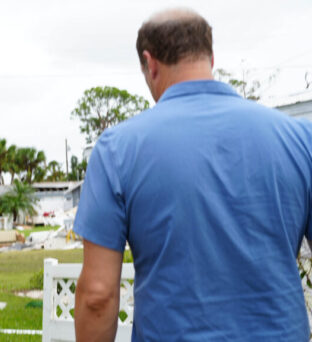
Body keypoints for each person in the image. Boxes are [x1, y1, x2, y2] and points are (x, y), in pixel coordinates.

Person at [73, 8, 312, 341]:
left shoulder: (117, 149)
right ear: (210, 57)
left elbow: (98, 295)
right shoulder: (301, 139)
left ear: (150, 62)